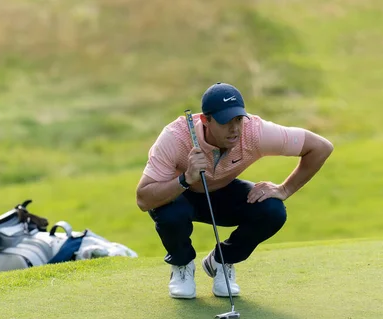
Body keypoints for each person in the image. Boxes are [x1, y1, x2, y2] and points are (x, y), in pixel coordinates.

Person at [136, 82, 333, 299]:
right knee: (171, 214)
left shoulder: (255, 132)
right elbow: (144, 199)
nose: (235, 129)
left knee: (273, 210)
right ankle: (182, 265)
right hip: (180, 194)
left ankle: (222, 261)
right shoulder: (175, 137)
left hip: (223, 192)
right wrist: (185, 179)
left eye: (238, 119)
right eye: (225, 122)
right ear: (205, 120)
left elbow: (321, 147)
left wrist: (285, 189)